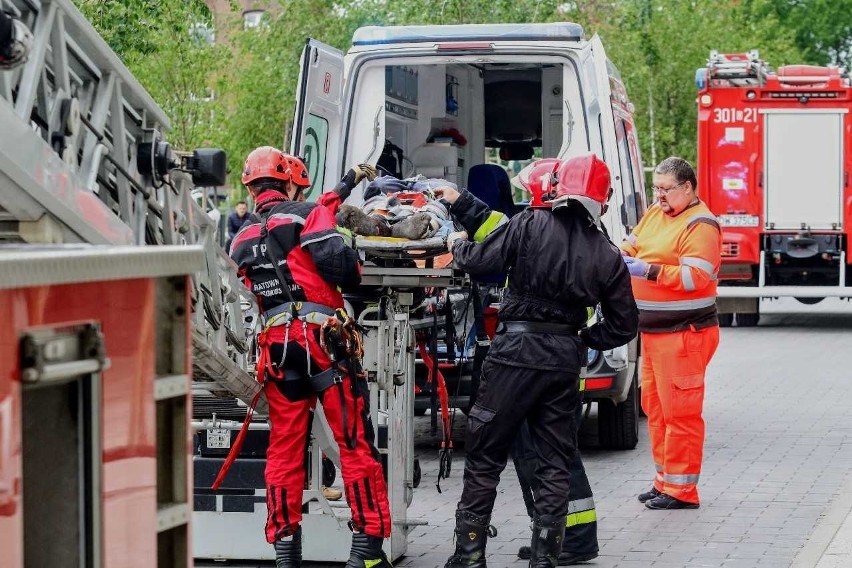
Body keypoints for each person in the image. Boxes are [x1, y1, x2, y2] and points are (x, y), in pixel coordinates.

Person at [439, 154, 639, 568]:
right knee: (555, 460)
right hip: (563, 362)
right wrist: (584, 338)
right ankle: (546, 559)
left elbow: (481, 263)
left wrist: (456, 245)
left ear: (556, 186)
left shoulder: (530, 222)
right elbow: (624, 325)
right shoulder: (607, 254)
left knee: (485, 452)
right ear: (602, 198)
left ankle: (469, 556)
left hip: (514, 354)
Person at [228, 146, 392, 567]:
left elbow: (293, 234)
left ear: (251, 186)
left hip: (278, 350)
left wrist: (348, 181)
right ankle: (367, 550)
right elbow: (340, 267)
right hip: (324, 344)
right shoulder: (305, 215)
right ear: (286, 182)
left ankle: (286, 554)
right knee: (354, 443)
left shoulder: (241, 238)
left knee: (284, 451)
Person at [620, 156, 721, 510]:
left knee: (681, 413)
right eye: (656, 188)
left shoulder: (701, 225)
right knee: (657, 410)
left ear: (687, 187)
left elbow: (695, 278)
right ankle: (664, 482)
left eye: (666, 189)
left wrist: (648, 271)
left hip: (685, 334)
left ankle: (682, 491)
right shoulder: (655, 213)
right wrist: (617, 255)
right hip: (656, 333)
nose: (659, 195)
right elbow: (630, 244)